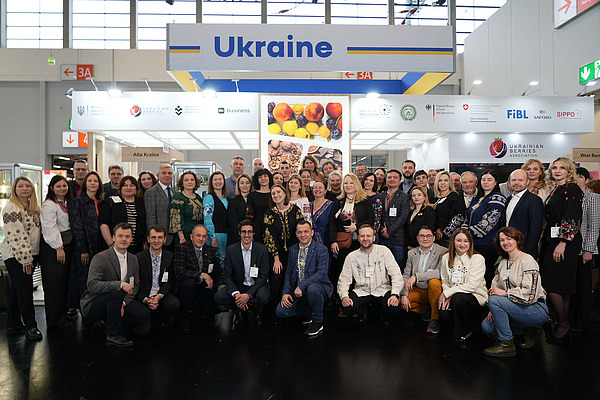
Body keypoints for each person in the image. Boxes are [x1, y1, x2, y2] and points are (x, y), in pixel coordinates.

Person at [80, 223, 151, 347]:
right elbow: (92, 285)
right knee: (117, 291)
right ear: (113, 238)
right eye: (120, 236)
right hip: (95, 302)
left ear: (131, 239)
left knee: (144, 315)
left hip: (120, 300)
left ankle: (109, 321)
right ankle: (113, 334)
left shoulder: (133, 259)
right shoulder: (100, 257)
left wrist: (123, 304)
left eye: (127, 236)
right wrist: (120, 284)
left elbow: (135, 285)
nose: (124, 239)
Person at [482, 227, 549, 357]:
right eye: (502, 240)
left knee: (495, 300)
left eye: (509, 238)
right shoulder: (503, 263)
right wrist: (493, 308)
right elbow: (495, 288)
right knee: (487, 326)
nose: (505, 242)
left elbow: (530, 295)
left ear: (517, 240)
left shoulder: (527, 260)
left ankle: (507, 344)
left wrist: (504, 294)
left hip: (535, 308)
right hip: (514, 307)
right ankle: (527, 330)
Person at [540, 157, 583, 344]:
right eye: (554, 168)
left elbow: (572, 216)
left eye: (562, 168)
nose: (557, 170)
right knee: (561, 285)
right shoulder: (555, 189)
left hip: (565, 242)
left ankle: (563, 323)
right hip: (553, 239)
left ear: (569, 171)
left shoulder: (572, 189)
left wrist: (563, 242)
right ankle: (563, 323)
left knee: (552, 284)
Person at [1, 177, 42, 340]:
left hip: (30, 254)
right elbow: (16, 235)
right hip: (18, 256)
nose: (25, 188)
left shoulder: (32, 207)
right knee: (25, 291)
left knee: (17, 289)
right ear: (14, 189)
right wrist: (26, 259)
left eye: (27, 186)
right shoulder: (12, 207)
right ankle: (31, 326)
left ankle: (13, 324)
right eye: (20, 186)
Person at [275, 220, 333, 336]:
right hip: (298, 292)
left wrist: (301, 286)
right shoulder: (293, 250)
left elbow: (321, 274)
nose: (303, 235)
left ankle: (318, 321)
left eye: (306, 231)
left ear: (312, 232)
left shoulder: (321, 249)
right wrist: (285, 292)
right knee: (281, 312)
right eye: (300, 232)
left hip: (318, 288)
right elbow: (289, 272)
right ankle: (309, 309)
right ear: (296, 234)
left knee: (312, 289)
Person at [338, 224, 403, 324]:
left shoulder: (384, 251)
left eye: (368, 236)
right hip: (361, 290)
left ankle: (376, 311)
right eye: (362, 236)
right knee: (347, 308)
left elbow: (396, 274)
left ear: (373, 238)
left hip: (382, 289)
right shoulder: (351, 257)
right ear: (358, 238)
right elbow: (344, 279)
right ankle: (366, 311)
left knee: (393, 307)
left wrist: (395, 294)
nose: (365, 239)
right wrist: (344, 296)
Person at [214, 220, 271, 325]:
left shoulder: (262, 249)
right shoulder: (231, 250)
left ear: (253, 233)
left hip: (256, 285)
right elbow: (226, 275)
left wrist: (248, 295)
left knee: (264, 296)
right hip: (239, 286)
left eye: (249, 232)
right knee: (219, 297)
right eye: (244, 232)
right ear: (239, 233)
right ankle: (238, 310)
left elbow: (263, 276)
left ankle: (258, 313)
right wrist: (237, 295)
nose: (246, 235)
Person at [438, 228, 488, 341]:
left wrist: (448, 293)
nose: (462, 244)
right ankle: (462, 329)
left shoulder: (478, 258)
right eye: (459, 240)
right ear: (453, 242)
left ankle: (465, 333)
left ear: (470, 243)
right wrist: (447, 295)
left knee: (458, 298)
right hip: (454, 296)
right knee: (443, 311)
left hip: (476, 296)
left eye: (466, 241)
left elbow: (472, 286)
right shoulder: (446, 258)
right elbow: (445, 280)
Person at [329, 174, 375, 291]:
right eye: (346, 183)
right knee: (342, 270)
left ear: (356, 185)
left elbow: (371, 219)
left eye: (351, 183)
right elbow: (332, 223)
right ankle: (342, 297)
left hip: (360, 242)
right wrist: (333, 241)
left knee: (359, 270)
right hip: (343, 242)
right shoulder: (338, 201)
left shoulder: (364, 200)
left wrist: (357, 227)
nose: (348, 185)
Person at [39, 175, 73, 329]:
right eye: (58, 186)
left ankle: (62, 316)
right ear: (52, 188)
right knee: (54, 285)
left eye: (64, 186)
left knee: (63, 284)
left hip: (66, 245)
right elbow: (49, 228)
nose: (62, 189)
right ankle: (55, 320)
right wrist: (59, 247)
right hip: (54, 248)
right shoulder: (49, 205)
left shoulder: (66, 202)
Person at [174, 224, 221, 333]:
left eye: (204, 236)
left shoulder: (209, 250)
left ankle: (203, 312)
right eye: (198, 236)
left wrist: (215, 283)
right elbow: (179, 272)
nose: (201, 239)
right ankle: (183, 316)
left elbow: (217, 271)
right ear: (191, 236)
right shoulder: (182, 248)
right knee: (190, 284)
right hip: (187, 286)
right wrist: (202, 275)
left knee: (213, 285)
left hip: (202, 287)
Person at [69, 171, 103, 315]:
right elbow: (77, 227)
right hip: (83, 248)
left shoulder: (100, 201)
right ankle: (84, 311)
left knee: (95, 279)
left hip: (97, 246)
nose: (93, 183)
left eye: (96, 181)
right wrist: (83, 249)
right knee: (83, 279)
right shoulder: (78, 202)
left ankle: (93, 309)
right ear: (85, 184)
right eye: (90, 181)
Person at [401, 226, 447, 334]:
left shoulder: (443, 252)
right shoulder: (412, 253)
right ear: (417, 238)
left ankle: (434, 319)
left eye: (428, 236)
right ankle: (427, 309)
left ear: (433, 238)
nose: (425, 238)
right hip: (419, 289)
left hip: (434, 290)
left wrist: (416, 276)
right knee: (399, 302)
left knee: (434, 281)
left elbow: (439, 272)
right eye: (422, 236)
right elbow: (406, 275)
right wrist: (404, 295)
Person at [464, 170, 506, 286]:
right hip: (474, 243)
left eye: (489, 180)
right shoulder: (478, 198)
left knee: (485, 274)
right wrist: (463, 232)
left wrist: (466, 234)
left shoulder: (498, 198)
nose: (486, 182)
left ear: (496, 182)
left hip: (488, 244)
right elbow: (466, 217)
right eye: (483, 179)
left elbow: (488, 224)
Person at [263, 184, 304, 304]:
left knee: (295, 279)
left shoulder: (295, 210)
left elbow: (301, 231)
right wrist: (276, 258)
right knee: (277, 279)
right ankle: (277, 310)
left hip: (295, 253)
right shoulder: (269, 213)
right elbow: (268, 236)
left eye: (278, 192)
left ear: (285, 194)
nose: (276, 195)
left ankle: (294, 308)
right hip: (277, 256)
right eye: (273, 194)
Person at [135, 226, 180, 326]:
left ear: (164, 240)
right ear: (148, 239)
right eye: (153, 237)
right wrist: (146, 299)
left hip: (161, 294)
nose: (156, 241)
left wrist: (158, 296)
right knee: (142, 331)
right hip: (144, 295)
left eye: (159, 237)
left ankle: (161, 318)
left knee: (174, 304)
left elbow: (170, 281)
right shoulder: (138, 258)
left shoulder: (170, 257)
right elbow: (135, 283)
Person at [571, 167, 599, 330]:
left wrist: (588, 250)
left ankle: (584, 322)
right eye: (575, 176)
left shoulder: (593, 198)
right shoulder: (570, 195)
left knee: (584, 286)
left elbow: (594, 226)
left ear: (587, 180)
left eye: (581, 176)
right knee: (572, 286)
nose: (577, 179)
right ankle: (573, 320)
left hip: (584, 249)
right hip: (570, 247)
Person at [501, 169, 544, 259]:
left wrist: (526, 253)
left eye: (520, 180)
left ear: (527, 181)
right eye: (513, 180)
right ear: (509, 182)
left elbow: (535, 230)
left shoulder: (534, 200)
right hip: (508, 249)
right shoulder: (508, 199)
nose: (516, 183)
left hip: (525, 251)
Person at [99, 176, 146, 254]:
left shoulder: (141, 202)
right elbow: (103, 224)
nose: (128, 188)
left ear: (136, 188)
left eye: (132, 185)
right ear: (120, 188)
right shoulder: (111, 202)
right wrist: (111, 244)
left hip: (137, 247)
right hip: (117, 246)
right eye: (125, 185)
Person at [380, 169, 410, 270]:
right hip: (382, 238)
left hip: (398, 239)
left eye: (395, 177)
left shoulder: (405, 197)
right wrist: (382, 229)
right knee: (382, 268)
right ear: (386, 179)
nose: (392, 179)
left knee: (398, 268)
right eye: (389, 177)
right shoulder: (380, 196)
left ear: (399, 180)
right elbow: (377, 216)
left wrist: (389, 231)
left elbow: (403, 217)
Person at [145, 164, 175, 249]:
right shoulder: (151, 192)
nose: (167, 175)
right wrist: (154, 238)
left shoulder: (174, 192)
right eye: (164, 173)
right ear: (158, 176)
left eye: (169, 173)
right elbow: (150, 218)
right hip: (159, 238)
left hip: (173, 238)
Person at [169, 171, 203, 246]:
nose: (189, 182)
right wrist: (181, 237)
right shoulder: (178, 197)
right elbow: (175, 219)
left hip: (198, 235)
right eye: (186, 180)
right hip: (184, 235)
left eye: (192, 180)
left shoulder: (198, 197)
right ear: (182, 183)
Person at [433, 171, 466, 248]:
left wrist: (445, 232)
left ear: (450, 182)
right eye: (440, 180)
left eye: (446, 180)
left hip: (448, 238)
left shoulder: (454, 197)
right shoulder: (434, 198)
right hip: (435, 237)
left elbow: (459, 217)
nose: (443, 183)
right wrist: (436, 229)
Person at [203, 171, 229, 266]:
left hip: (225, 236)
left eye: (220, 179)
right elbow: (207, 219)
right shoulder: (209, 197)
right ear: (211, 182)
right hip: (215, 236)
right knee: (215, 264)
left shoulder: (226, 199)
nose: (218, 182)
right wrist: (213, 238)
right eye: (215, 180)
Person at [248, 168, 273, 244]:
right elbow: (249, 215)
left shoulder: (274, 194)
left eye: (265, 176)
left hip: (273, 227)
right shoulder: (252, 195)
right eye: (260, 177)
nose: (263, 179)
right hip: (258, 228)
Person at [227, 173, 253, 245]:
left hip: (253, 238)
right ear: (238, 185)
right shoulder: (233, 201)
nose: (245, 185)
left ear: (251, 185)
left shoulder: (255, 200)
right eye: (242, 183)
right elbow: (233, 222)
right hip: (237, 238)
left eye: (247, 183)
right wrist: (241, 236)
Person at [310, 180, 334, 248]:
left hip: (325, 239)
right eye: (315, 187)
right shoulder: (308, 205)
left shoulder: (331, 205)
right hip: (310, 239)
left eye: (320, 187)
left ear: (325, 191)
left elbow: (333, 224)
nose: (317, 189)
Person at [361, 172, 383, 243]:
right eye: (366, 179)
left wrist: (373, 232)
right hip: (357, 232)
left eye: (371, 181)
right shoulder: (357, 196)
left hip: (371, 233)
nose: (368, 182)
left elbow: (377, 219)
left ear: (374, 183)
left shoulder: (377, 199)